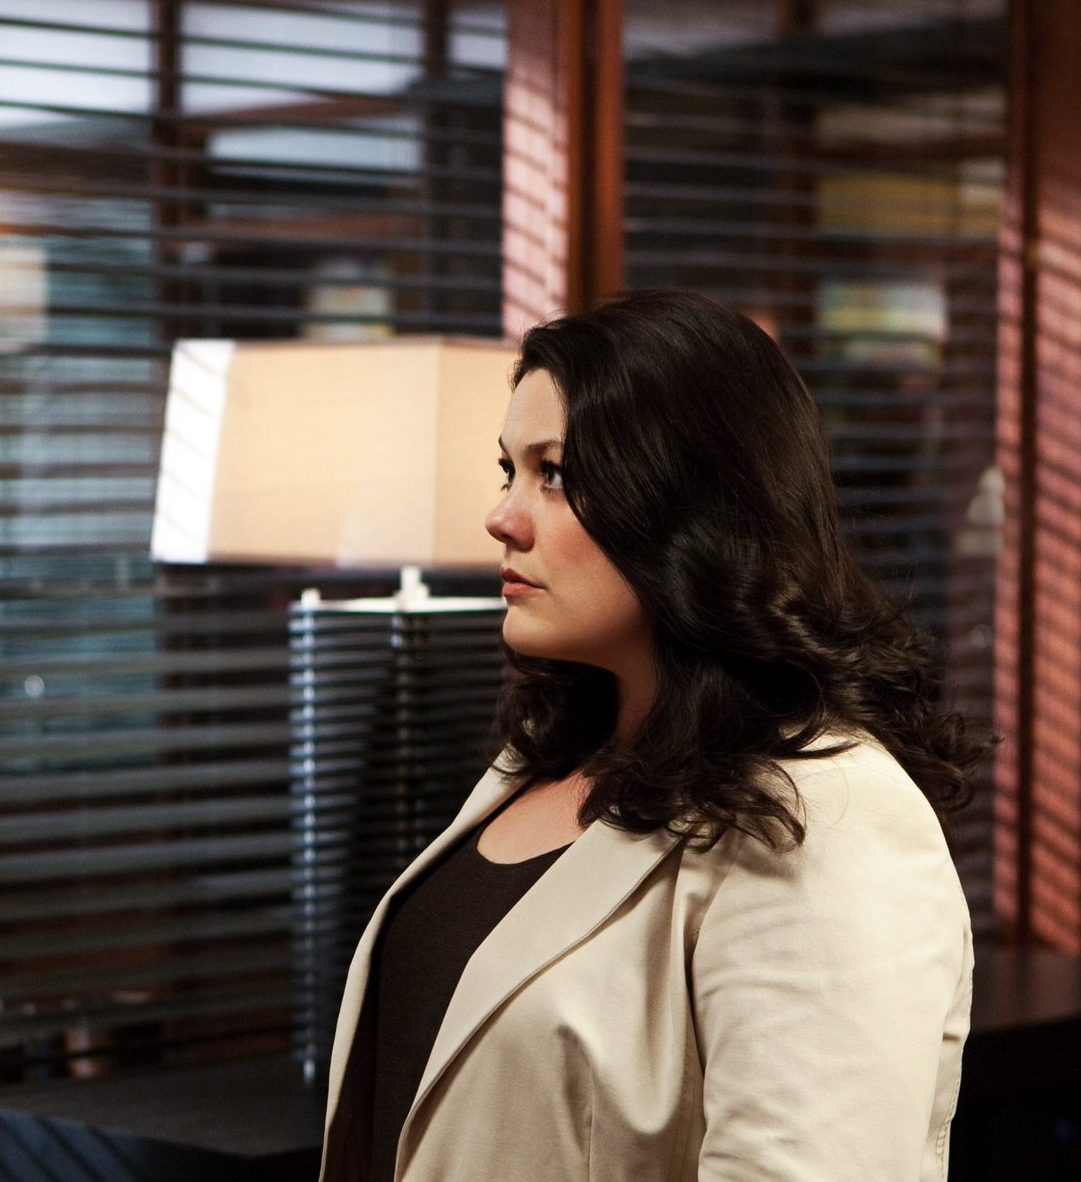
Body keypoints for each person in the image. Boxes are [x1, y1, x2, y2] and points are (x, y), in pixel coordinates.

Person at [318, 290, 985, 1182]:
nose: (503, 515)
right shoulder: (543, 756)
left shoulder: (829, 811)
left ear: (688, 503)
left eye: (555, 473)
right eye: (508, 469)